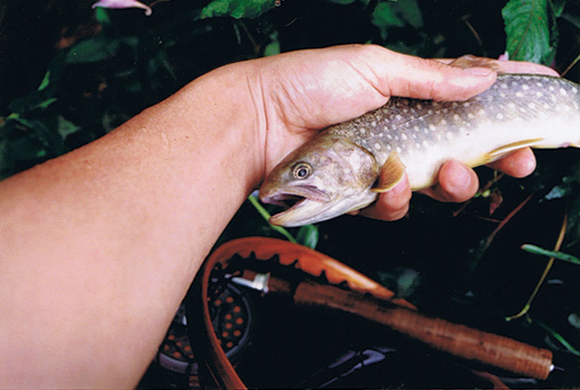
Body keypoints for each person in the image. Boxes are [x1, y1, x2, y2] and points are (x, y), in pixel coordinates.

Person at [0, 44, 557, 388]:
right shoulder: (352, 150)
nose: (286, 190)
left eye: (301, 175)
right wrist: (259, 115)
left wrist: (259, 112)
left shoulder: (362, 150)